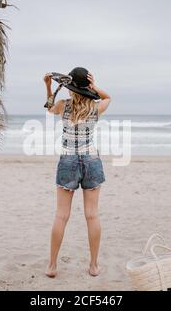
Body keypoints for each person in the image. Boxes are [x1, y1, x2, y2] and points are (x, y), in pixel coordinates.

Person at [43, 67, 111, 277]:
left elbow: (49, 107)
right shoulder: (96, 107)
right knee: (92, 215)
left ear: (71, 87)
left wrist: (48, 85)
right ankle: (93, 265)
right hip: (91, 160)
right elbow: (108, 97)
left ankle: (53, 266)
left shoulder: (63, 106)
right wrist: (94, 86)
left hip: (68, 160)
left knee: (61, 216)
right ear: (87, 87)